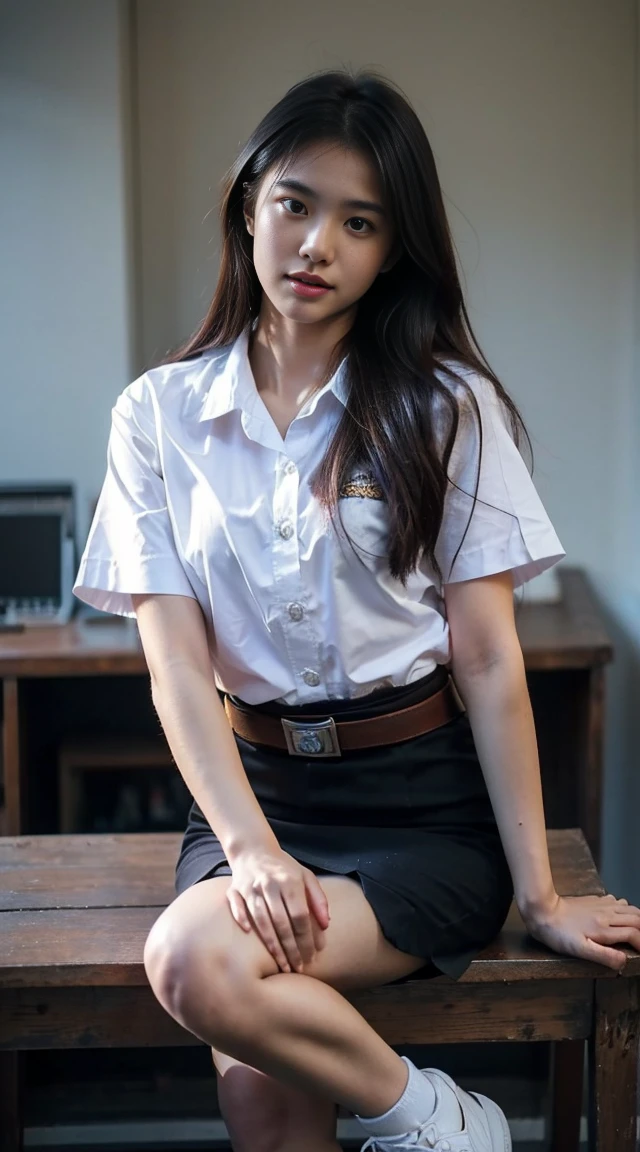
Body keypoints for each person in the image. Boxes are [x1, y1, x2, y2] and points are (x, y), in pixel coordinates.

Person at [73, 67, 640, 1152]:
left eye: (359, 221)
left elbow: (486, 663)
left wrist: (542, 893)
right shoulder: (158, 415)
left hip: (419, 810)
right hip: (256, 799)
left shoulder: (446, 406)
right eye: (294, 203)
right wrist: (251, 850)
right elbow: (178, 667)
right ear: (249, 206)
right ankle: (435, 1118)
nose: (315, 244)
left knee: (200, 964)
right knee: (260, 1096)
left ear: (392, 250)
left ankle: (435, 1127)